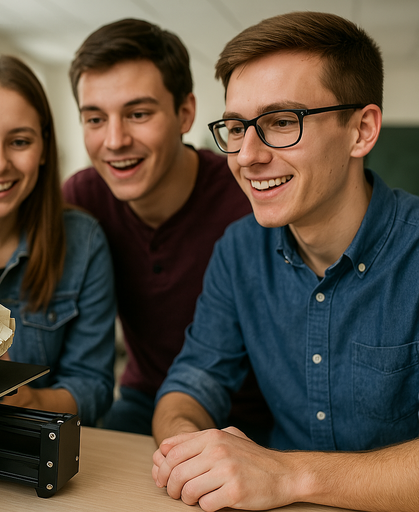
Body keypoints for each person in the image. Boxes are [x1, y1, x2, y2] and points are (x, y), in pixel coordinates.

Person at [151, 11, 419, 512]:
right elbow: (191, 383)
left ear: (361, 130)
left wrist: (290, 475)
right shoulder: (237, 250)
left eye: (280, 122)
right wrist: (187, 444)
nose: (246, 155)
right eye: (235, 127)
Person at [62, 18, 268, 436]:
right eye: (95, 119)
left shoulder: (250, 196)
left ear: (185, 113)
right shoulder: (83, 200)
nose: (115, 140)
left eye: (138, 113)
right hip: (146, 398)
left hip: (263, 412)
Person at [0, 55, 116, 427]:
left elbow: (93, 387)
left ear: (43, 148)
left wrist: (30, 399)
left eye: (19, 141)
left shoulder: (84, 242)